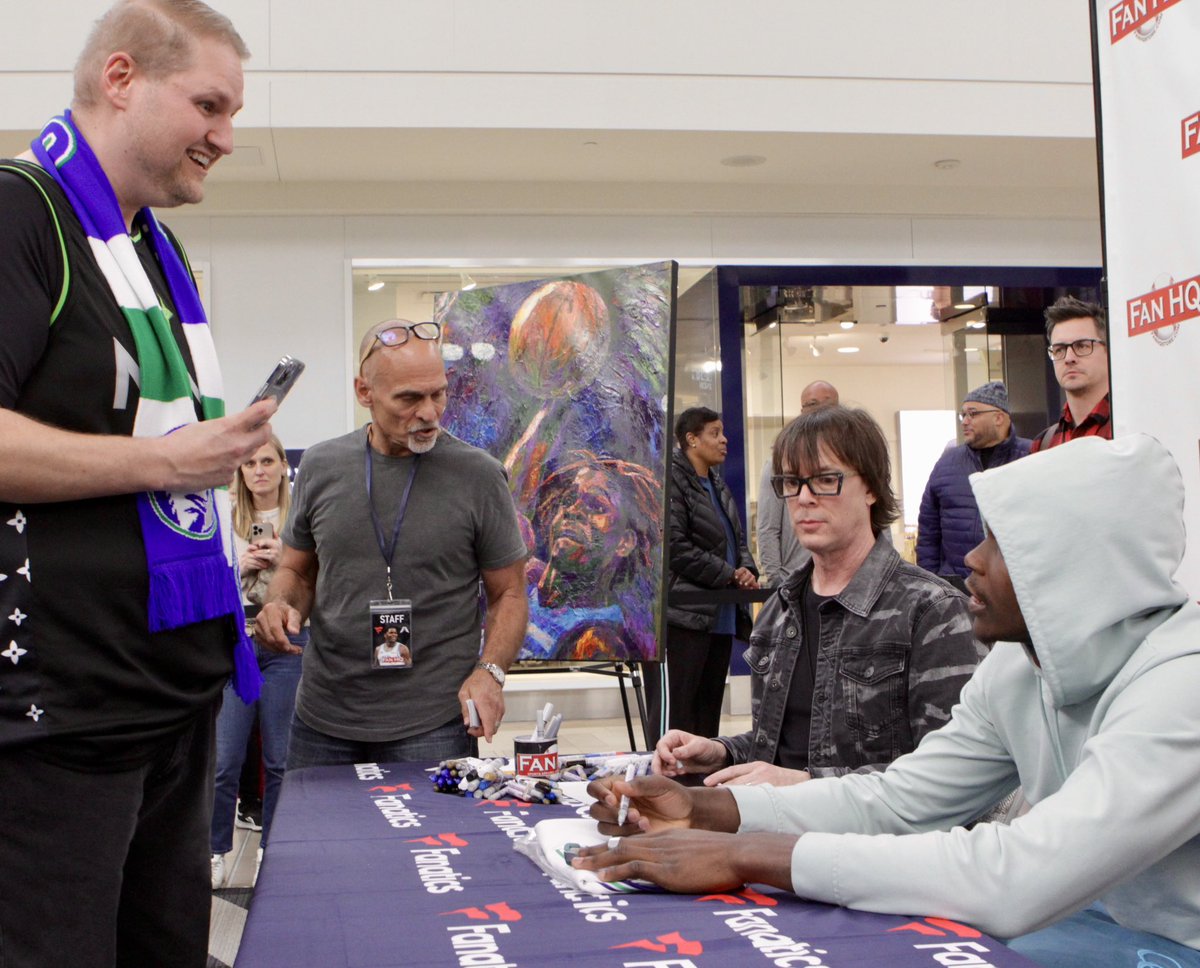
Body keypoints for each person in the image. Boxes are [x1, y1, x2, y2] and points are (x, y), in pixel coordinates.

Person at [576, 434, 1200, 968]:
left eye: (1006, 547)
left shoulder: (1182, 688)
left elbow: (1018, 876)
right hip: (1088, 920)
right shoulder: (1018, 665)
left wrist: (746, 853)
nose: (971, 561)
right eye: (790, 484)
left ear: (1075, 564)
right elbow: (901, 799)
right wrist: (711, 810)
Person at [0, 2, 275, 964]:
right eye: (208, 105)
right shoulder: (20, 213)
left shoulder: (154, 253)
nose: (226, 138)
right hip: (60, 718)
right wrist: (167, 460)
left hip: (172, 696)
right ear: (121, 79)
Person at [655, 406, 984, 787]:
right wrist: (721, 752)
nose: (804, 498)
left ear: (871, 488)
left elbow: (950, 776)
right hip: (772, 832)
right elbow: (786, 745)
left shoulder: (931, 612)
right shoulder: (779, 610)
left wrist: (806, 784)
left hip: (871, 842)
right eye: (792, 482)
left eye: (826, 480)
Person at [255, 319, 529, 766]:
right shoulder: (323, 466)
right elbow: (296, 570)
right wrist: (281, 604)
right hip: (323, 718)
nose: (429, 413)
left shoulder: (478, 475)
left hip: (432, 724)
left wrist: (490, 672)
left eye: (437, 393)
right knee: (320, 839)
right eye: (409, 398)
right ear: (364, 393)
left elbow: (510, 593)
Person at [210, 436, 305, 889]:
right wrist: (239, 565)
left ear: (284, 467)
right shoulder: (223, 518)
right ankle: (212, 851)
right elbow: (203, 586)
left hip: (288, 640)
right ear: (240, 472)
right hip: (238, 640)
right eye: (249, 462)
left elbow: (318, 579)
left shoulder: (300, 519)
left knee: (280, 758)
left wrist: (284, 561)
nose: (259, 470)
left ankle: (274, 846)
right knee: (225, 758)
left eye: (268, 461)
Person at [642, 407, 758, 746]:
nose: (724, 440)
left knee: (705, 723)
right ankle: (663, 791)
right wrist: (728, 573)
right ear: (691, 439)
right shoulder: (670, 481)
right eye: (715, 432)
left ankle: (697, 793)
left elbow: (736, 540)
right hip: (681, 621)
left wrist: (747, 571)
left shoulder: (718, 484)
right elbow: (673, 546)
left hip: (718, 618)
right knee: (674, 720)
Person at [525, 450, 662, 660]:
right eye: (569, 499)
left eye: (596, 506)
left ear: (624, 543)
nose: (573, 510)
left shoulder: (596, 640)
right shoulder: (521, 585)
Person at [917, 381, 1031, 581]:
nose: (965, 421)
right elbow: (929, 531)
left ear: (998, 417)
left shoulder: (1030, 457)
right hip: (957, 588)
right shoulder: (947, 463)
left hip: (1014, 588)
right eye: (963, 415)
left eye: (973, 413)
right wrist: (932, 581)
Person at [755, 381, 839, 588]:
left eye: (827, 404)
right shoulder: (778, 464)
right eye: (812, 404)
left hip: (846, 580)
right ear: (802, 411)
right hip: (795, 582)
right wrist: (778, 583)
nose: (819, 411)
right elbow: (767, 528)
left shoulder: (854, 460)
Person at [1031, 295, 1111, 452]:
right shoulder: (1043, 444)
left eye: (1082, 346)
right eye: (1059, 349)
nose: (1069, 358)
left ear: (1108, 351)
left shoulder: (1130, 431)